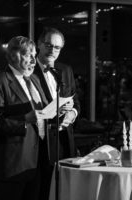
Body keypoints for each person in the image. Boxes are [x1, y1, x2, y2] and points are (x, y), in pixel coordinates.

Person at [0, 36, 50, 200]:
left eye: (35, 54)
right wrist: (24, 119)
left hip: (37, 161)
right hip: (13, 164)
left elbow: (43, 112)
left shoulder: (34, 80)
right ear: (14, 55)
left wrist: (58, 111)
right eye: (29, 55)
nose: (34, 59)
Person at [34, 27, 80, 199]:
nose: (52, 50)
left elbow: (76, 101)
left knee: (64, 189)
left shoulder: (65, 69)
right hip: (41, 141)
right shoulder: (29, 70)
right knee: (43, 189)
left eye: (57, 47)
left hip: (64, 140)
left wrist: (72, 113)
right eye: (48, 45)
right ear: (39, 44)